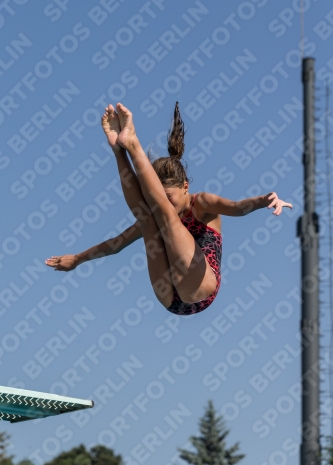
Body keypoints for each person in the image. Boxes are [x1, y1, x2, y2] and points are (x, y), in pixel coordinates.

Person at [45, 102, 293, 315]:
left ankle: (132, 144)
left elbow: (238, 208)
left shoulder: (202, 203)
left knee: (162, 217)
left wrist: (265, 200)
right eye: (158, 195)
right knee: (147, 218)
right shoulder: (159, 212)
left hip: (201, 289)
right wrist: (77, 259)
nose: (165, 202)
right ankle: (119, 150)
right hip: (171, 300)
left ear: (185, 187)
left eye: (169, 197)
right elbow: (116, 244)